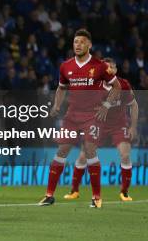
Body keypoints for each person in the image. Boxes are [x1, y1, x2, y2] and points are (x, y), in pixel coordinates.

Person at [39, 29, 121, 209]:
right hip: (72, 116)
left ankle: (96, 197)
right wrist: (56, 105)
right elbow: (61, 88)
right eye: (76, 42)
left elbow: (117, 86)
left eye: (82, 42)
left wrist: (107, 105)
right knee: (61, 152)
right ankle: (49, 195)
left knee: (90, 151)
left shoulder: (99, 66)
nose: (78, 45)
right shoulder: (65, 66)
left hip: (92, 116)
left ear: (89, 45)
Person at [64, 58, 138, 201]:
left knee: (125, 155)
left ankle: (124, 191)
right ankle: (74, 190)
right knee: (83, 155)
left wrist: (133, 127)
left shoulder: (123, 85)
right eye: (106, 67)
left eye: (112, 67)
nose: (109, 70)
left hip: (118, 125)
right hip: (98, 124)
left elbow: (133, 105)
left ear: (116, 70)